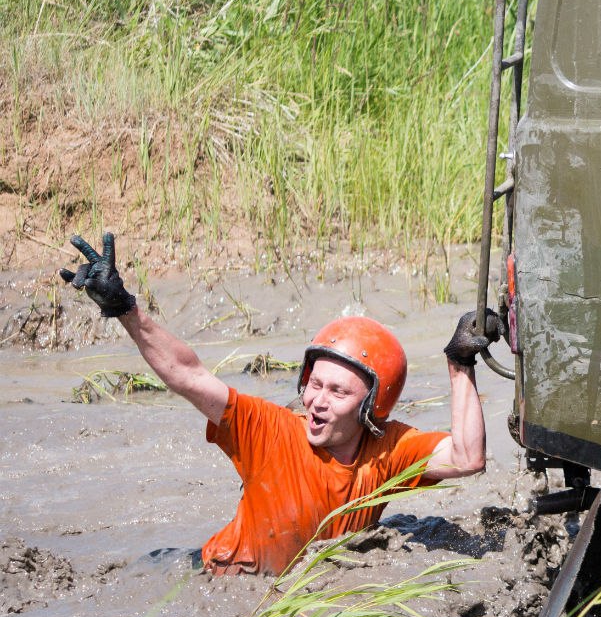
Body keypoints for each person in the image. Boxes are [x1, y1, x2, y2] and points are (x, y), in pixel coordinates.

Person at [60, 232, 503, 576]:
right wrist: (125, 309)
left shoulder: (388, 451)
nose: (317, 401)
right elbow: (188, 374)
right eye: (314, 384)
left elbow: (468, 458)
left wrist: (460, 363)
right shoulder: (268, 430)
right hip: (214, 576)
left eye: (338, 392)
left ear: (373, 407)